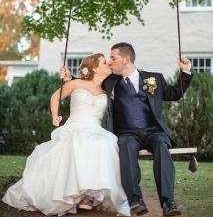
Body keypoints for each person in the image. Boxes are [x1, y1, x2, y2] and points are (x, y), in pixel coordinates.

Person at [61, 42, 192, 217]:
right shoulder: (110, 81)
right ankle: (135, 200)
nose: (110, 61)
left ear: (126, 59)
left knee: (161, 145)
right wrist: (71, 78)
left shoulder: (154, 78)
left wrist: (185, 72)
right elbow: (90, 82)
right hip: (127, 133)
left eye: (113, 58)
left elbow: (175, 93)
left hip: (154, 131)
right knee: (125, 144)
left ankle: (168, 202)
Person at [2, 53, 130, 217]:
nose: (108, 64)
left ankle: (89, 195)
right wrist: (55, 115)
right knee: (77, 142)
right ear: (95, 68)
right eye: (104, 62)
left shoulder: (107, 89)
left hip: (96, 129)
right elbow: (55, 97)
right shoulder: (76, 83)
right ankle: (73, 195)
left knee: (106, 143)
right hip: (74, 127)